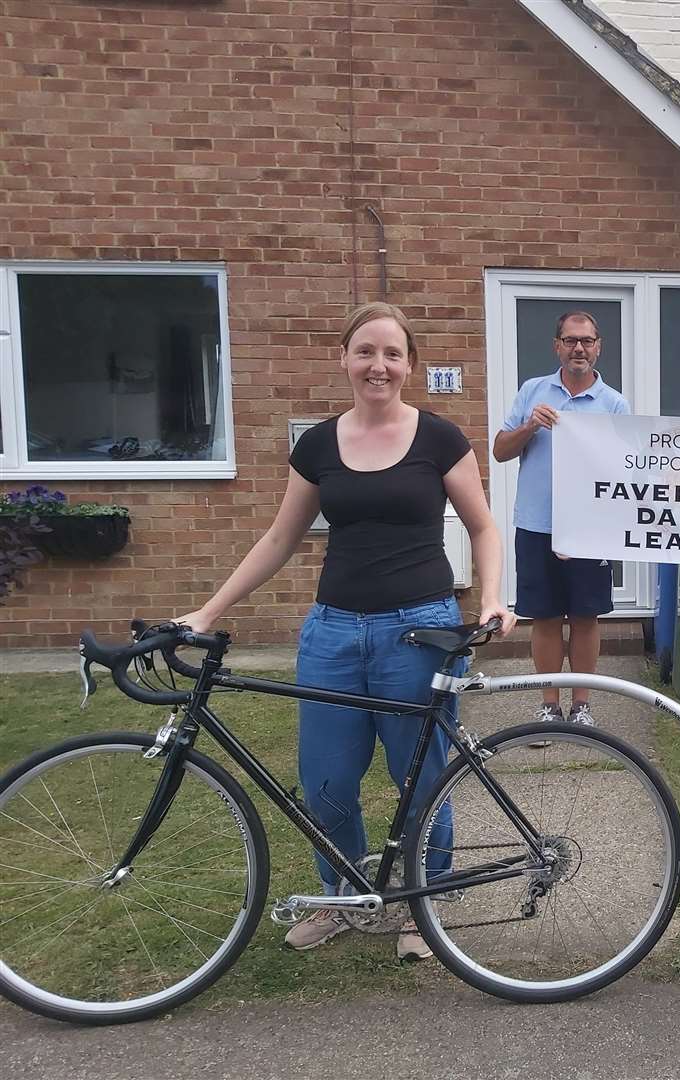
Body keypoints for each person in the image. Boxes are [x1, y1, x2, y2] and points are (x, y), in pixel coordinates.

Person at [177, 302, 515, 960]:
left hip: (419, 630)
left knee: (420, 778)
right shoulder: (319, 445)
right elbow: (280, 537)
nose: (378, 365)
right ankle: (341, 898)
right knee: (327, 781)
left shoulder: (439, 440)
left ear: (410, 365)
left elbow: (483, 526)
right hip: (332, 633)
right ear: (344, 359)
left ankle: (425, 907)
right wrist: (208, 612)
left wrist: (493, 597)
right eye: (365, 352)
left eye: (392, 354)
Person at [493, 311, 630, 726]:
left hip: (588, 529)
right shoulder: (533, 392)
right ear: (557, 345)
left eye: (586, 341)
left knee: (586, 617)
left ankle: (582, 705)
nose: (579, 349)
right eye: (571, 341)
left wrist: (588, 527)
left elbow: (624, 469)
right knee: (546, 616)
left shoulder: (614, 404)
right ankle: (550, 706)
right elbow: (500, 450)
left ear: (598, 346)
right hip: (536, 523)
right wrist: (531, 426)